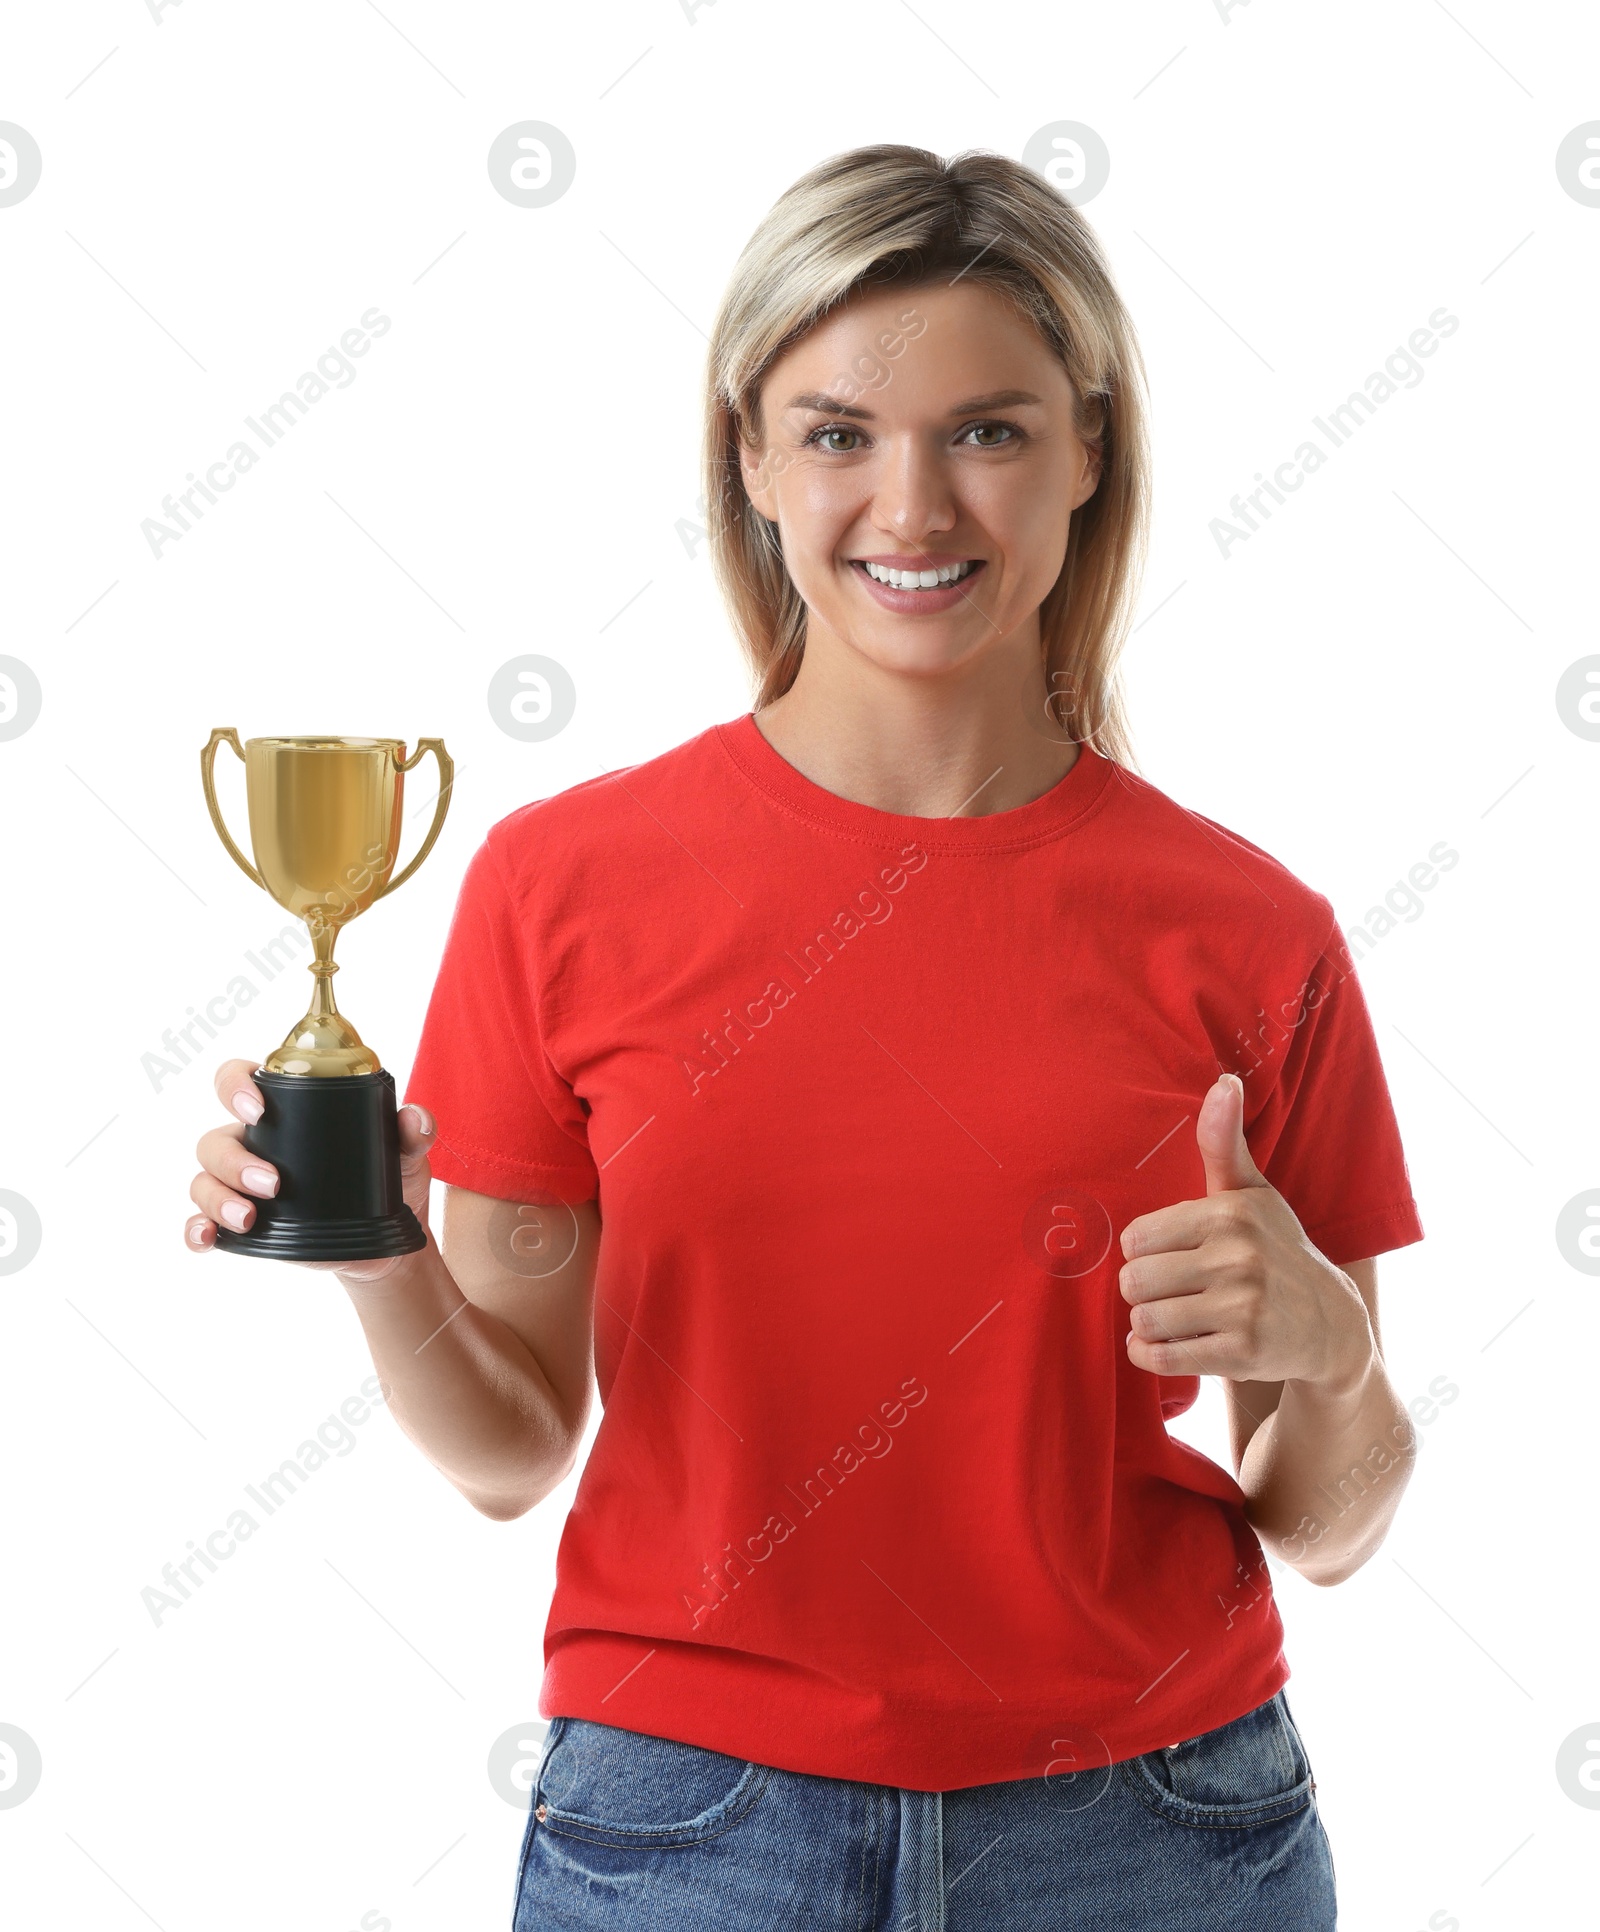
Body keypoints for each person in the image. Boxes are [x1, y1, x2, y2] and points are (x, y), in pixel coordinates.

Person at [185, 144, 1425, 1930]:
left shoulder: (1253, 935)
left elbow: (1333, 1520)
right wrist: (381, 1255)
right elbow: (513, 1451)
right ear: (751, 458)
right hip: (683, 1834)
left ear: (1089, 452)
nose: (911, 507)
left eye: (987, 432)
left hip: (1153, 1838)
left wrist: (1329, 1355)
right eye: (839, 432)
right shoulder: (562, 888)